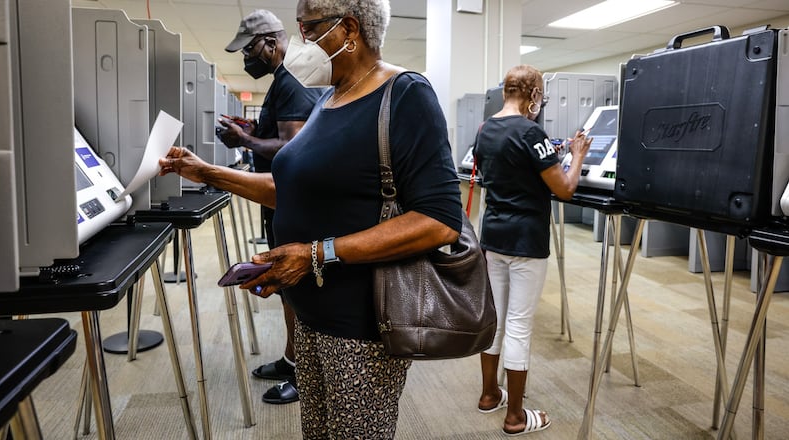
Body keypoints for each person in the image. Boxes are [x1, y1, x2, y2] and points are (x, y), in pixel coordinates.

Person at [160, 0, 462, 437]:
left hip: (360, 324)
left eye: (308, 27)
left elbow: (439, 219)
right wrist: (205, 171)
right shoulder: (328, 98)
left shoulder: (405, 93)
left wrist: (315, 253)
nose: (298, 40)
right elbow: (294, 187)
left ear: (348, 29)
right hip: (310, 311)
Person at [473, 64, 592, 436]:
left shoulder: (484, 129)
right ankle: (516, 417)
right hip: (526, 240)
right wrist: (577, 155)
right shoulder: (532, 132)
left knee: (495, 320)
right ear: (534, 95)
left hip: (493, 237)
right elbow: (565, 189)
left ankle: (490, 395)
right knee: (520, 326)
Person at [221, 9, 324, 405]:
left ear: (270, 42)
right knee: (285, 289)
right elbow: (281, 135)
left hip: (294, 200)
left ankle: (305, 375)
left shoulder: (293, 79)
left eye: (250, 50)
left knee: (296, 287)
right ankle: (290, 358)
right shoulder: (285, 78)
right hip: (279, 199)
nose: (247, 59)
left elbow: (294, 149)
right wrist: (251, 133)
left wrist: (246, 143)